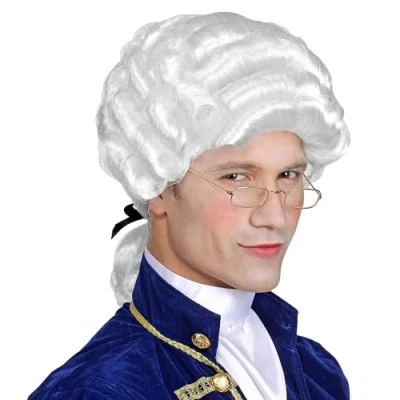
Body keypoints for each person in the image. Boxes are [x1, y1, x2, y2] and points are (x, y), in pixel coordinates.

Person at [28, 11, 350, 400]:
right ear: (157, 186)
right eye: (236, 177)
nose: (274, 216)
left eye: (288, 175)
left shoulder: (316, 370)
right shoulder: (101, 389)